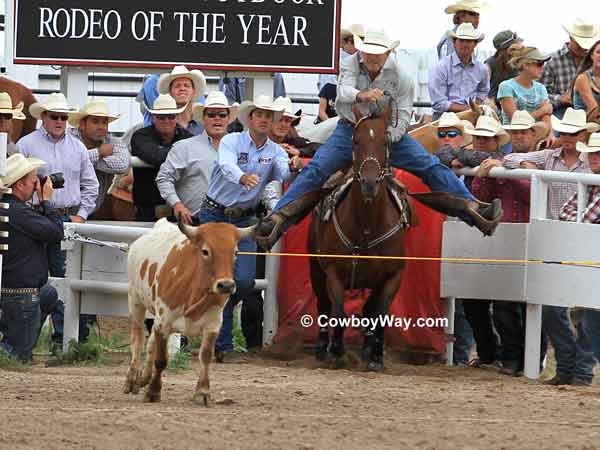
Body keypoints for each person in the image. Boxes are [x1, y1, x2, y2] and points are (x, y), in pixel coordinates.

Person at [256, 28, 502, 250]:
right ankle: (278, 217)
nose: (371, 57)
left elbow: (404, 115)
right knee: (318, 168)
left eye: (377, 53)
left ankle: (473, 209)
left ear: (387, 54)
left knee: (429, 165)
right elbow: (343, 92)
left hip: (387, 134)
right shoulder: (351, 64)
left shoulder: (401, 77)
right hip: (350, 129)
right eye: (367, 52)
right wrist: (362, 95)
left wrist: (385, 138)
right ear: (362, 52)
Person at [199, 95, 302, 361]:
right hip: (216, 214)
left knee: (242, 281)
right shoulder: (231, 141)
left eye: (270, 116)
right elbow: (226, 164)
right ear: (250, 118)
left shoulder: (276, 152)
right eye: (260, 115)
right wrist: (242, 177)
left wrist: (293, 167)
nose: (265, 120)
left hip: (243, 220)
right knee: (222, 279)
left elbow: (282, 173)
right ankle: (222, 345)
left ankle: (217, 340)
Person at [501, 109, 599, 385]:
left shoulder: (588, 166)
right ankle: (569, 367)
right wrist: (531, 168)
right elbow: (509, 158)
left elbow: (580, 213)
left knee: (589, 312)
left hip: (584, 245)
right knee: (552, 307)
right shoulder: (549, 157)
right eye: (564, 132)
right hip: (560, 240)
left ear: (583, 135)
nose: (567, 137)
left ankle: (578, 371)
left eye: (573, 133)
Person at [17, 92, 99, 344]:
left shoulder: (78, 148)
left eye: (63, 117)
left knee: (65, 276)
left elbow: (91, 185)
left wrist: (82, 216)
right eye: (55, 117)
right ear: (44, 117)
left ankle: (64, 338)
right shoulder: (26, 145)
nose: (60, 121)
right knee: (39, 277)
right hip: (34, 216)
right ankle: (34, 337)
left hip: (66, 217)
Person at [472, 111, 550, 375]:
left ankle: (528, 359)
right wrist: (483, 176)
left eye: (523, 132)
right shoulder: (510, 164)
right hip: (508, 237)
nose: (519, 136)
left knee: (531, 304)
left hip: (535, 238)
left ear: (532, 135)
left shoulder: (541, 162)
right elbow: (482, 197)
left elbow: (533, 196)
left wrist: (510, 172)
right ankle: (513, 358)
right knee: (504, 304)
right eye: (515, 132)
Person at [0, 154, 63, 362]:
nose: (38, 183)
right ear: (19, 185)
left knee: (49, 293)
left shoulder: (10, 208)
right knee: (17, 357)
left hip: (12, 290)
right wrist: (46, 201)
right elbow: (55, 232)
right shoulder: (20, 213)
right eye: (34, 180)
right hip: (20, 295)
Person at [156, 91, 238, 225]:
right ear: (203, 118)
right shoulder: (184, 147)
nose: (217, 118)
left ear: (228, 119)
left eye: (222, 115)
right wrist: (177, 204)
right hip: (194, 222)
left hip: (234, 223)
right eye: (211, 115)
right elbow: (164, 178)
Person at [559, 132, 600, 369]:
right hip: (587, 255)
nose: (593, 157)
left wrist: (579, 219)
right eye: (592, 152)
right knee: (588, 318)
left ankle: (580, 370)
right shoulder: (589, 182)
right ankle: (577, 369)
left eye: (598, 153)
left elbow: (583, 219)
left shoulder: (590, 183)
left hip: (589, 255)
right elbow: (566, 211)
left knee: (592, 319)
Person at [131, 94, 193, 222]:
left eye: (171, 117)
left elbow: (157, 155)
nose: (166, 121)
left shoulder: (188, 138)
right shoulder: (140, 136)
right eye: (161, 117)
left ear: (176, 117)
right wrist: (181, 153)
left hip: (180, 210)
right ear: (153, 118)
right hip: (148, 211)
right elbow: (156, 156)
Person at [69, 99, 130, 215]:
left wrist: (86, 161)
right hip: (64, 210)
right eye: (95, 121)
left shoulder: (112, 140)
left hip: (93, 209)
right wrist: (99, 152)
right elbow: (69, 160)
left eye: (104, 122)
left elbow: (122, 164)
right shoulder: (69, 137)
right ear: (82, 124)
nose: (101, 127)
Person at [541, 18, 600, 119]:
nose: (584, 48)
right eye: (580, 44)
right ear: (571, 38)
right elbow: (540, 94)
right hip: (562, 110)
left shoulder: (595, 60)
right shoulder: (552, 61)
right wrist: (561, 98)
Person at [429, 23, 490, 120]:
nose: (465, 44)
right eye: (461, 40)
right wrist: (470, 108)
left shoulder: (482, 69)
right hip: (444, 117)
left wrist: (476, 104)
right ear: (454, 42)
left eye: (469, 41)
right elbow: (438, 103)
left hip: (471, 116)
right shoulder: (441, 67)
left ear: (475, 44)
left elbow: (483, 90)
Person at [497, 44, 553, 146]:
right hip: (513, 137)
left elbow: (546, 118)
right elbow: (515, 120)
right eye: (539, 64)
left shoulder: (541, 88)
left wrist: (549, 133)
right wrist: (543, 110)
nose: (542, 67)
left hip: (536, 137)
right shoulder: (506, 86)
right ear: (526, 65)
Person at [157, 65, 207, 136]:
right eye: (177, 86)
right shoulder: (163, 125)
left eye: (186, 85)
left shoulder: (205, 126)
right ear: (170, 92)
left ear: (194, 92)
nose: (182, 89)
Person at [486, 30, 523, 109]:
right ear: (508, 49)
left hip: (517, 105)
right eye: (516, 45)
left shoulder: (520, 62)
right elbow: (483, 90)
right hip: (496, 107)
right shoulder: (489, 64)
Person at [572, 40, 600, 118]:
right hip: (584, 124)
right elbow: (593, 109)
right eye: (598, 52)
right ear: (592, 56)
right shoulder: (583, 78)